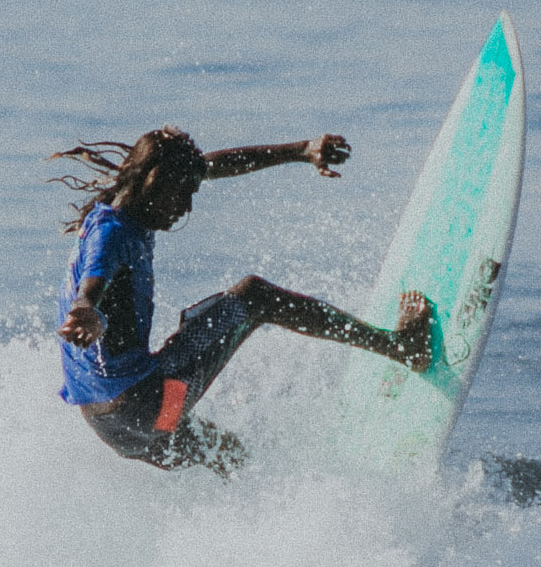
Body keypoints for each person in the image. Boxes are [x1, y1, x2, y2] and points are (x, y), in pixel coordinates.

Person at [51, 127, 432, 472]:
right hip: (150, 404)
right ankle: (403, 347)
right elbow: (91, 287)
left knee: (230, 456)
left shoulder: (119, 209)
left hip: (122, 431)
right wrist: (87, 312)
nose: (186, 208)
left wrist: (301, 150)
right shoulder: (111, 236)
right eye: (182, 194)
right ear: (155, 179)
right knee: (254, 296)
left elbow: (214, 166)